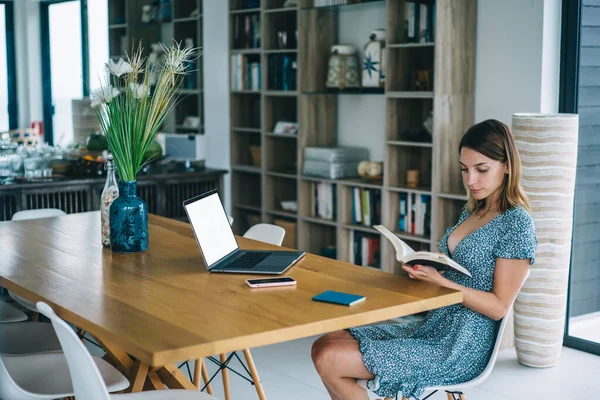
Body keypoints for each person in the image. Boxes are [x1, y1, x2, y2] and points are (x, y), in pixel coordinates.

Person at [311, 119, 538, 400]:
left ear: (507, 166)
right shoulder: (473, 211)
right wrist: (429, 269)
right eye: (465, 169)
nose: (470, 180)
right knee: (323, 344)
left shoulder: (516, 224)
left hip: (461, 345)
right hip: (434, 324)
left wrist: (440, 280)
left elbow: (498, 307)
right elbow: (459, 270)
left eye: (481, 169)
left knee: (330, 358)